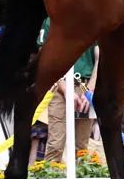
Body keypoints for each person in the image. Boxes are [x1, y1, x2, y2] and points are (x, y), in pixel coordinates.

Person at [38, 18, 97, 163]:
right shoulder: (50, 19)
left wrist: (88, 90)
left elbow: (100, 57)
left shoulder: (93, 17)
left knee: (81, 146)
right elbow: (43, 56)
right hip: (59, 83)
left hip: (84, 84)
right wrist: (65, 89)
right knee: (56, 144)